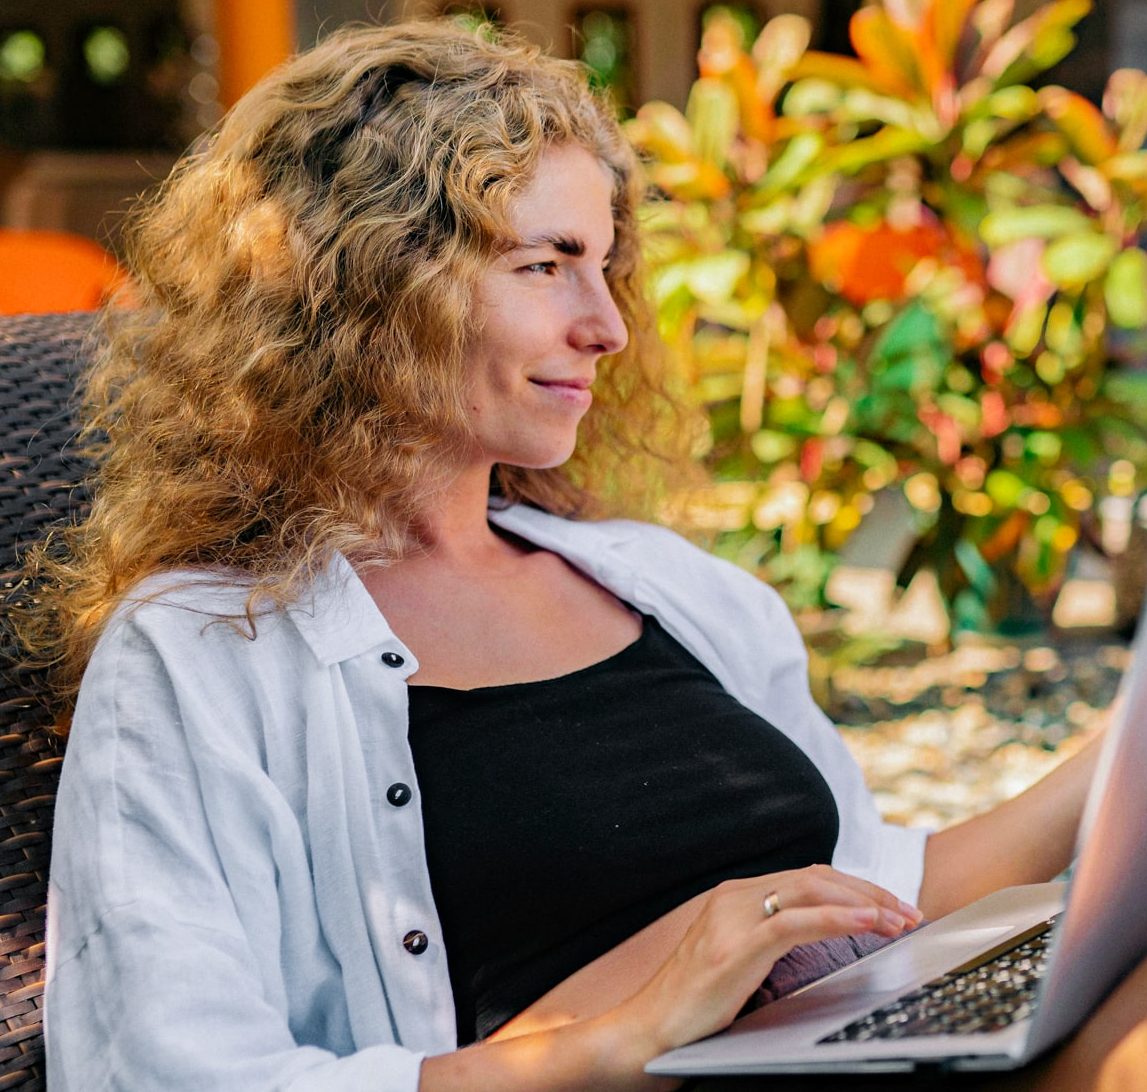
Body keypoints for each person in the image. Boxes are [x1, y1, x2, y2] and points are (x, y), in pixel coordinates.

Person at [24, 19, 1103, 1091]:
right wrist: (620, 1039)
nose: (607, 326)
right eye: (545, 264)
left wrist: (1117, 762)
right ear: (369, 290)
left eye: (602, 264)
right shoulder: (207, 651)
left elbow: (872, 888)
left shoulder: (663, 585)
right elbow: (162, 1072)